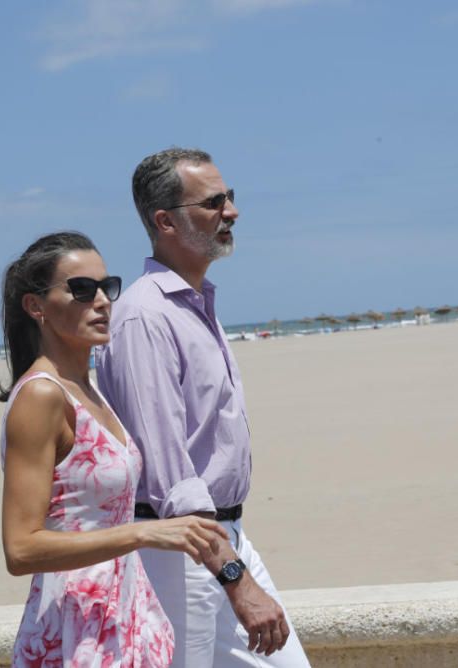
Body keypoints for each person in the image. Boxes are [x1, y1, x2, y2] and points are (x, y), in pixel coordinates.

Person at [96, 148, 311, 667]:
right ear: (164, 220)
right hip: (184, 554)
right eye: (213, 202)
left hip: (221, 539)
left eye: (230, 198)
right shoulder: (145, 317)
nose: (231, 212)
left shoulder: (193, 304)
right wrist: (234, 577)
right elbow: (171, 473)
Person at [0, 231, 229, 667]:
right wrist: (143, 533)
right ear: (35, 306)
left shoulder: (89, 389)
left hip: (123, 614)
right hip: (73, 627)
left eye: (108, 287)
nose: (102, 301)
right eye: (82, 290)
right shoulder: (42, 397)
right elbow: (20, 548)